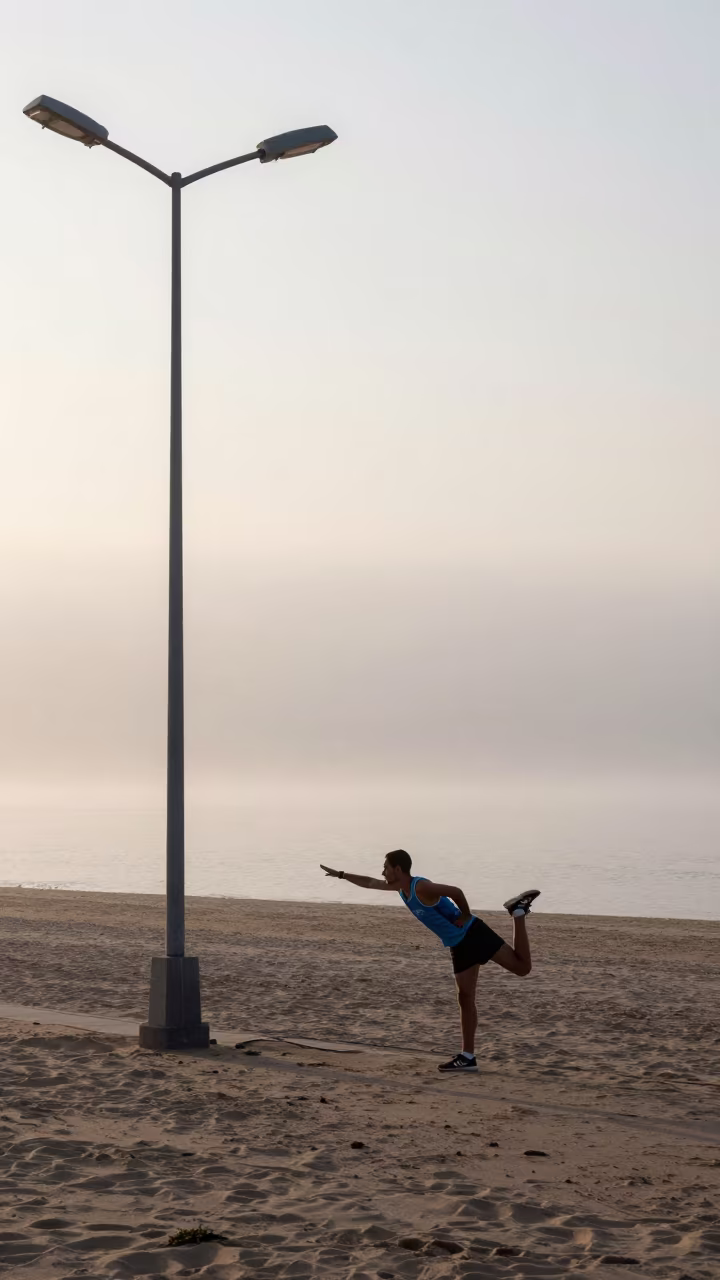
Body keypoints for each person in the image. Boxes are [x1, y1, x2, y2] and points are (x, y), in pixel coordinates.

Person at [320, 849, 539, 1073]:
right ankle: (467, 1057)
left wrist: (464, 914)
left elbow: (456, 891)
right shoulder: (400, 888)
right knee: (465, 997)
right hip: (457, 945)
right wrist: (341, 875)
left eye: (386, 867)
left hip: (473, 933)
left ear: (398, 869)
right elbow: (370, 882)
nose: (383, 871)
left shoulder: (421, 887)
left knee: (522, 968)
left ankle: (518, 913)